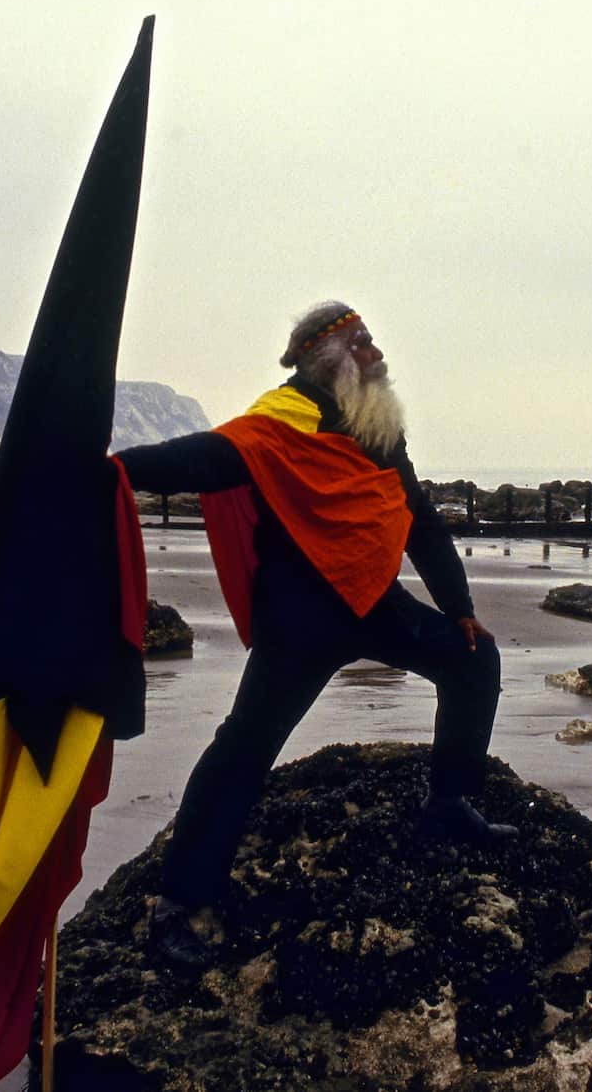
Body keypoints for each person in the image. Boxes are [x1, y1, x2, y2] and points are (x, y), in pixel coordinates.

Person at [115, 300, 515, 968]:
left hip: (373, 600)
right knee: (244, 749)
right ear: (326, 358)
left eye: (372, 342)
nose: (377, 355)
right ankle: (179, 905)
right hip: (300, 616)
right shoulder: (284, 418)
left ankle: (450, 803)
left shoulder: (376, 427)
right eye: (362, 344)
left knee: (474, 659)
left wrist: (460, 606)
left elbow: (417, 518)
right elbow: (205, 460)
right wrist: (116, 471)